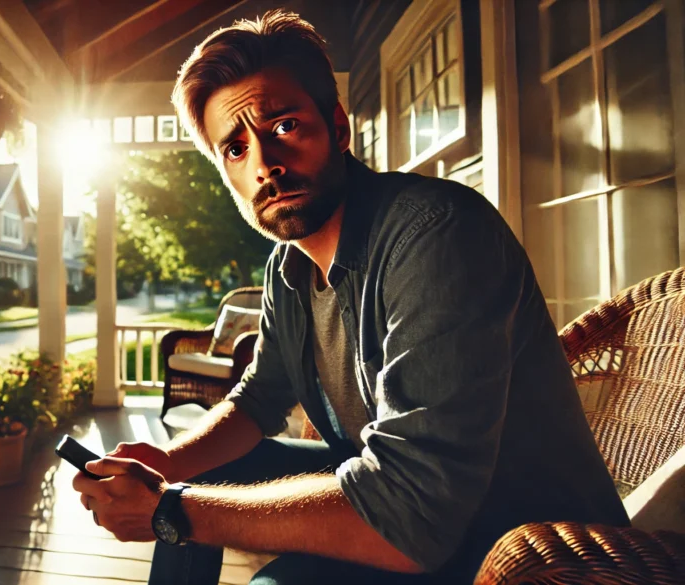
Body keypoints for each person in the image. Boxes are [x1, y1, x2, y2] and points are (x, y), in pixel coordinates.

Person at [71, 9, 629, 585]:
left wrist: (171, 511)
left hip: (527, 547)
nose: (265, 164)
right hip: (414, 511)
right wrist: (162, 466)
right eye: (235, 149)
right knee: (205, 475)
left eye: (284, 126)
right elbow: (256, 402)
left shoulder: (437, 234)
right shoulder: (288, 268)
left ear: (338, 128)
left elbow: (413, 514)